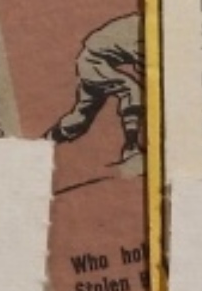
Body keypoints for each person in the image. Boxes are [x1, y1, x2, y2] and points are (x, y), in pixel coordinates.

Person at [46, 13, 144, 173]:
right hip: (93, 63)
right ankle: (131, 149)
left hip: (91, 61)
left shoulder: (143, 24)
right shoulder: (142, 30)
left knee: (80, 119)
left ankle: (43, 143)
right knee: (132, 90)